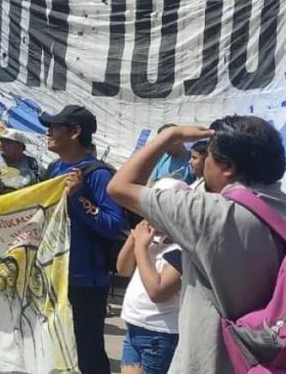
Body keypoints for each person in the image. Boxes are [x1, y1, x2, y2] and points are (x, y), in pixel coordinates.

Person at [107, 117, 286, 374]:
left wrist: (169, 136)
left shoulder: (209, 213)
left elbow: (119, 187)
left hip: (211, 362)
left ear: (227, 166)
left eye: (209, 155)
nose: (203, 164)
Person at [40, 105, 127, 374]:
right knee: (54, 347)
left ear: (75, 132)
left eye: (54, 127)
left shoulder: (99, 174)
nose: (49, 132)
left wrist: (79, 197)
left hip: (86, 280)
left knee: (87, 352)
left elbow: (114, 226)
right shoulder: (54, 168)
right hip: (54, 274)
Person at [116, 179, 184, 374]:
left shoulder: (182, 246)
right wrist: (134, 238)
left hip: (160, 334)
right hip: (134, 326)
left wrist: (141, 247)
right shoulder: (151, 237)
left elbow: (158, 291)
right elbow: (123, 269)